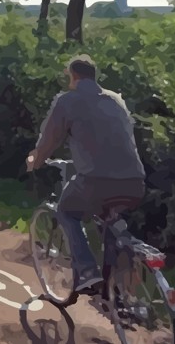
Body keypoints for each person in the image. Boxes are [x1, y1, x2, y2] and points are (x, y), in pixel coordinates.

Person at [26, 55, 146, 294]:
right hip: (135, 181)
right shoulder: (116, 100)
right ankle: (118, 288)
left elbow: (50, 140)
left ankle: (88, 271)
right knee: (109, 220)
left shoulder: (68, 101)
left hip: (95, 181)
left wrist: (35, 161)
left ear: (73, 76)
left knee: (67, 212)